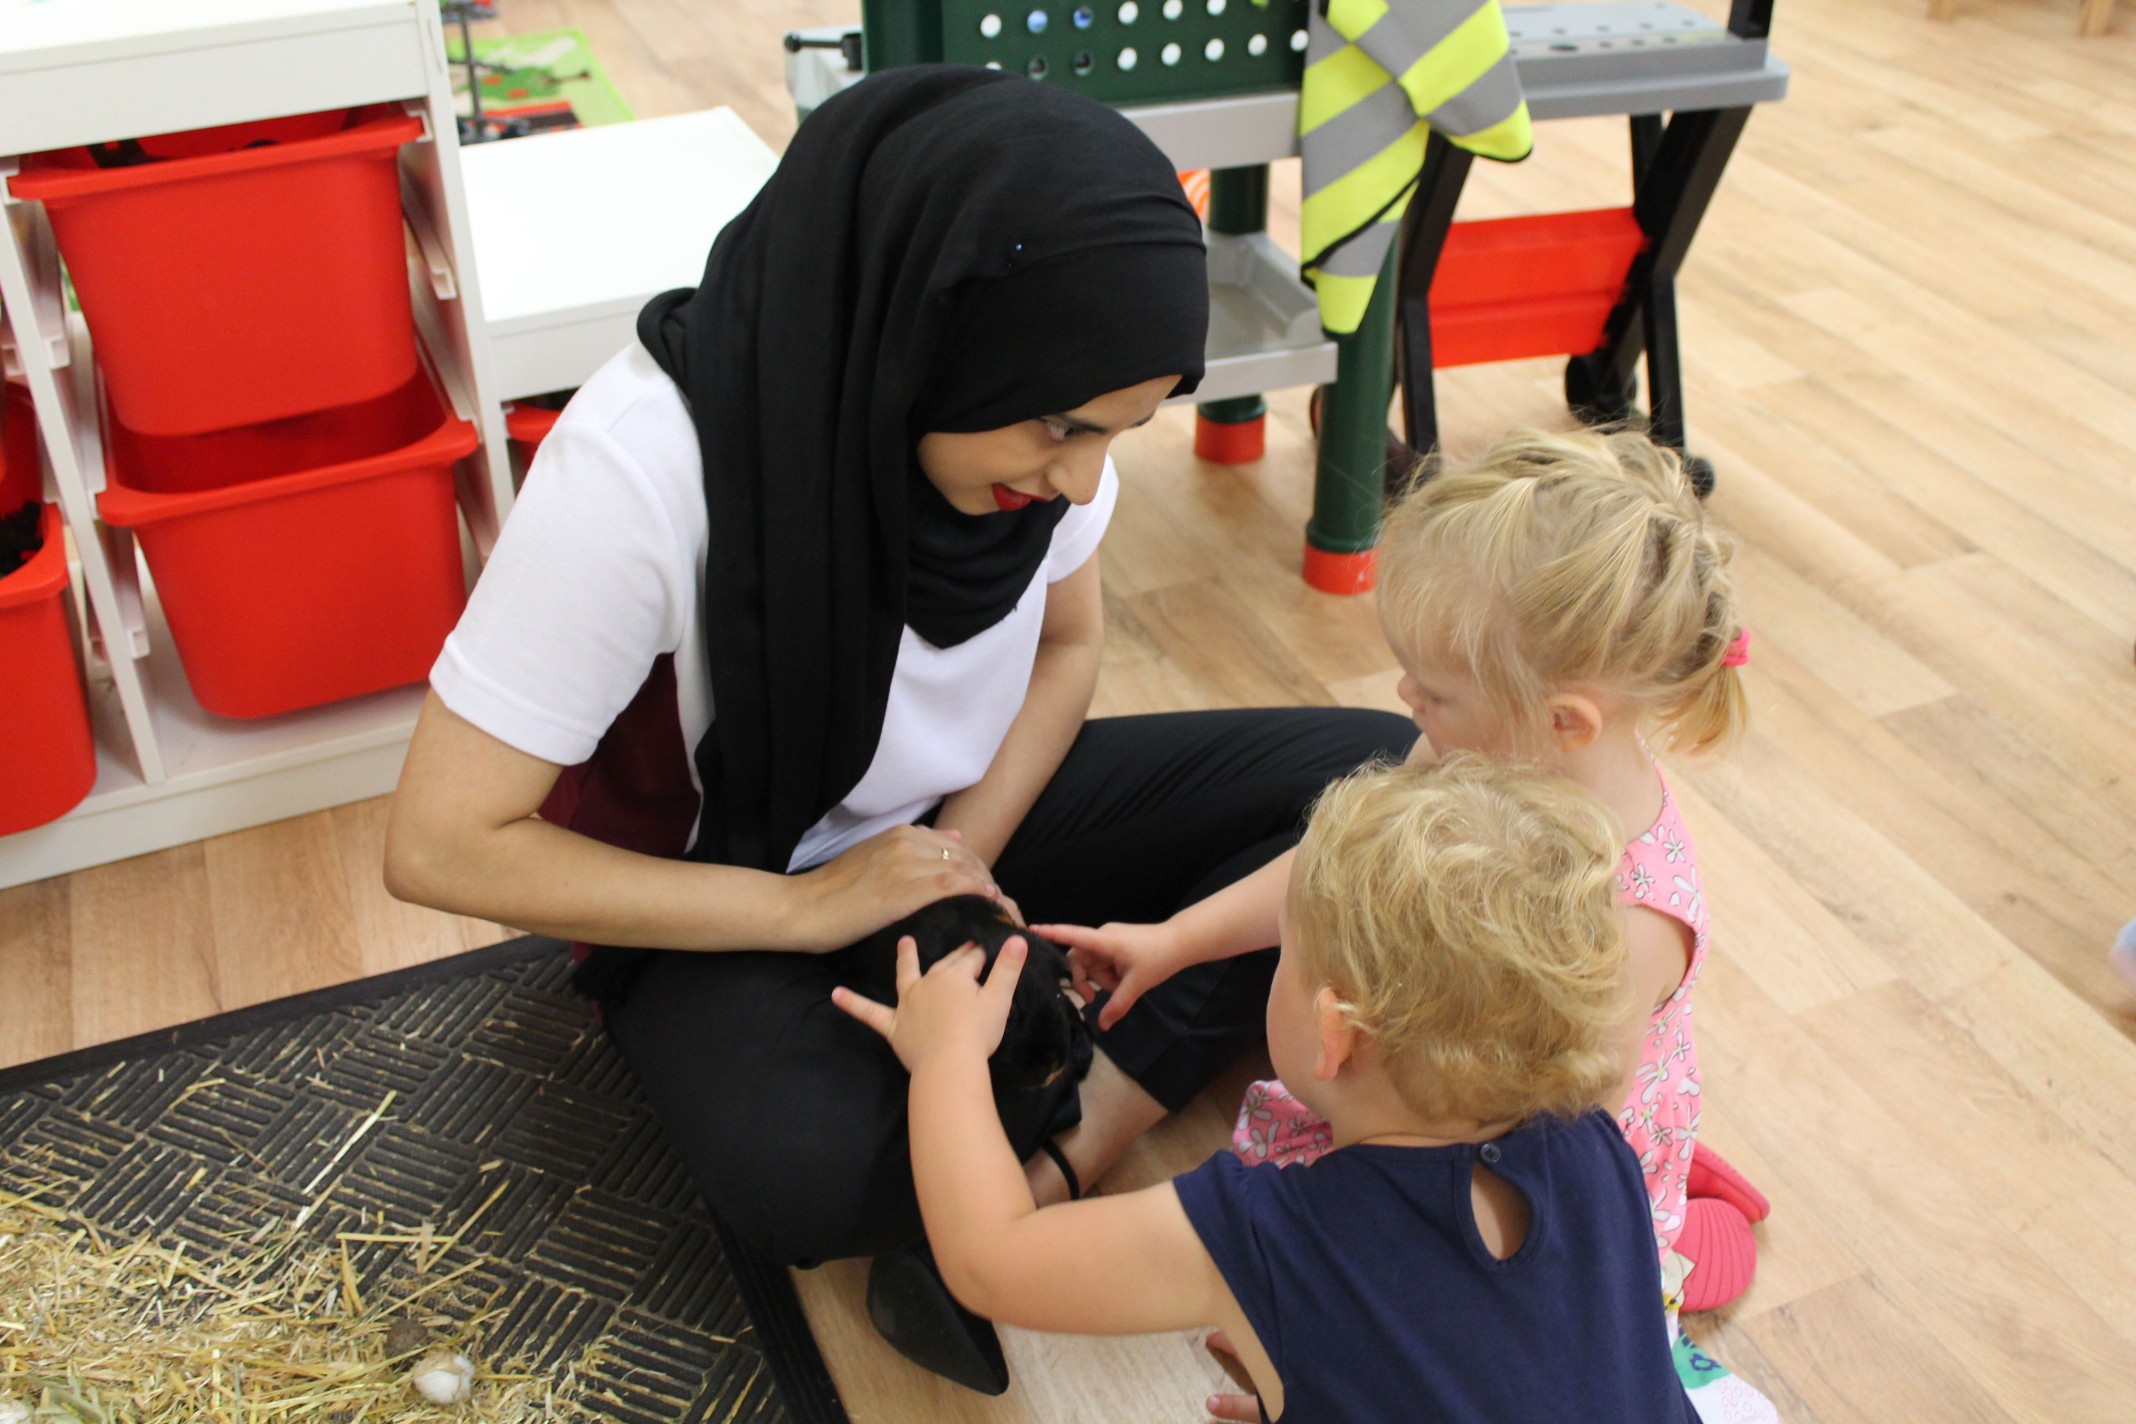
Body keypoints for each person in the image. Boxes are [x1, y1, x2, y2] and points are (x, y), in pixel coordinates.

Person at [381, 65, 1415, 1393]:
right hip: (736, 883)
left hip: (959, 816)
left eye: (1121, 432)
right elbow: (441, 843)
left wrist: (958, 863)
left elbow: (1069, 645)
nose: (1080, 481)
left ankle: (1063, 1148)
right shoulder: (646, 463)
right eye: (1059, 427)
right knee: (809, 1174)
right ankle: (1032, 1075)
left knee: (1369, 799)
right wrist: (813, 912)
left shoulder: (1038, 432)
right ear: (930, 336)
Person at [1044, 427, 1764, 1326]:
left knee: (1601, 1293)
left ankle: (1701, 1241)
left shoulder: (1626, 924)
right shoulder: (1468, 748)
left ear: (1563, 721)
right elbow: (1333, 865)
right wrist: (1176, 941)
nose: (1404, 699)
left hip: (1537, 1146)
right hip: (1447, 1088)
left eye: (1434, 688)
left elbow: (1564, 1155)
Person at [835, 756, 1695, 1424]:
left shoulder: (1271, 1235)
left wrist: (947, 1055)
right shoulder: (1594, 1142)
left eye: (1283, 955)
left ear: (1334, 1034)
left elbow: (990, 1261)